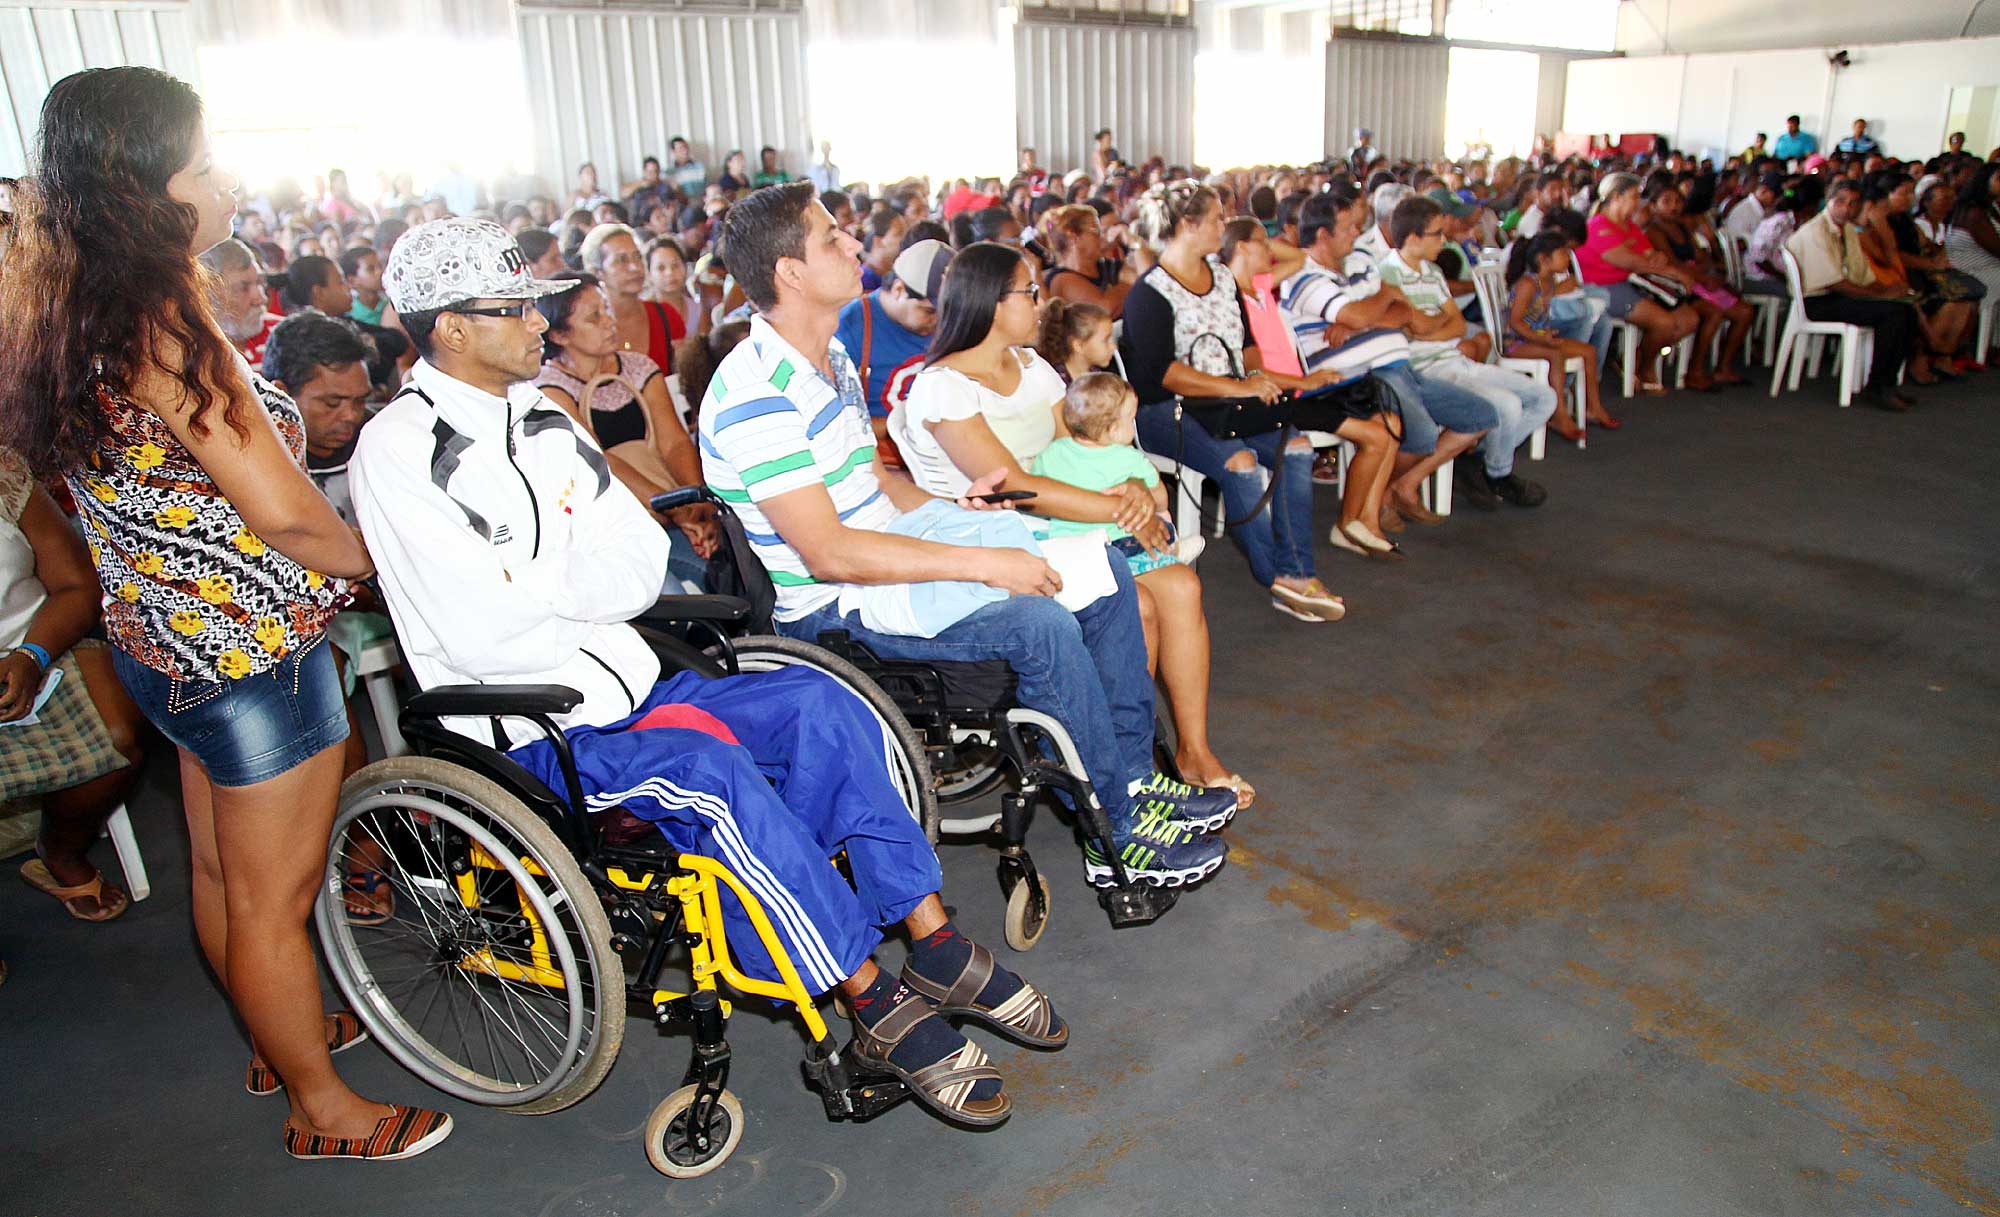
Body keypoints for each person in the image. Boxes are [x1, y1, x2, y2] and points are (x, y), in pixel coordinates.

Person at [347, 217, 1062, 1127]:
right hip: (536, 725)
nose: (541, 322)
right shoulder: (400, 454)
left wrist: (558, 586)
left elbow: (641, 558)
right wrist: (577, 588)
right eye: (518, 308)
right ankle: (869, 998)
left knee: (822, 703)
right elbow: (483, 631)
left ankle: (933, 937)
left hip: (635, 681)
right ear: (450, 327)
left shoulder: (543, 423)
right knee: (710, 776)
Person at [0, 67, 445, 1160]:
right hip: (249, 652)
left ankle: (277, 1037)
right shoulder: (163, 323)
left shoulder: (62, 302)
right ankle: (322, 1108)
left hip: (162, 642)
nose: (227, 177)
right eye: (204, 160)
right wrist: (397, 570)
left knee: (222, 875)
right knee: (274, 899)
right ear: (145, 188)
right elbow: (287, 516)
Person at [697, 182, 1228, 886]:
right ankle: (1118, 836)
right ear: (789, 272)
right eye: (833, 238)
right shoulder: (756, 394)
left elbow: (878, 485)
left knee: (1100, 561)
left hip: (889, 543)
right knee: (1038, 615)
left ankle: (1129, 780)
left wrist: (961, 510)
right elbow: (828, 552)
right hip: (838, 600)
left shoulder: (825, 364)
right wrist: (982, 561)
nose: (856, 244)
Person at [894, 242, 1252, 805]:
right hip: (994, 543)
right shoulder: (943, 387)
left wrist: (1129, 488)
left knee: (1181, 585)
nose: (1041, 303)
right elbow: (1013, 482)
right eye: (1029, 292)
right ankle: (1120, 777)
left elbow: (1073, 452)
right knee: (1139, 604)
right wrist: (1116, 507)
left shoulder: (1033, 367)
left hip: (1062, 528)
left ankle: (1193, 751)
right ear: (991, 302)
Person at [1118, 181, 1346, 620]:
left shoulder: (1222, 277)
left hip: (1227, 403)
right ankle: (1281, 577)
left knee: (1296, 448)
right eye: (1217, 218)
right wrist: (1239, 386)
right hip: (1167, 411)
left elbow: (1246, 351)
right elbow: (1160, 375)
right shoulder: (1149, 292)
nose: (1224, 225)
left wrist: (1268, 381)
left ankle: (1296, 571)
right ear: (1188, 225)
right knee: (1239, 462)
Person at [1281, 189, 1497, 530]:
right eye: (1349, 227)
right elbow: (1359, 312)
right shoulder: (1305, 276)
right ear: (1323, 235)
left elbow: (1400, 310)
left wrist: (1365, 315)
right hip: (1360, 376)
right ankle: (1378, 498)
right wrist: (1370, 310)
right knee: (1422, 436)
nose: (1358, 232)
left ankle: (1396, 487)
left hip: (1399, 363)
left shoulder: (1360, 261)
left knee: (1481, 414)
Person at [0, 445, 147, 926]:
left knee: (120, 733)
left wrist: (31, 657)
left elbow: (77, 584)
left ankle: (59, 848)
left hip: (37, 643)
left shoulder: (5, 471)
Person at [532, 269, 717, 584]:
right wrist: (677, 510)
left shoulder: (638, 367)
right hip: (613, 529)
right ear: (559, 335)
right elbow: (600, 461)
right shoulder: (550, 389)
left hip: (671, 510)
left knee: (726, 567)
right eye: (594, 317)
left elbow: (674, 442)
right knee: (691, 584)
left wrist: (699, 506)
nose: (609, 320)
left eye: (606, 308)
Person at [1375, 195, 1555, 509]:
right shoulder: (1387, 274)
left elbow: (1455, 326)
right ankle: (1498, 473)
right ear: (1414, 238)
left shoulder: (1431, 271)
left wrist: (1431, 325)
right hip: (1423, 368)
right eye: (1437, 234)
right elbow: (1411, 330)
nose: (1444, 240)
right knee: (1509, 406)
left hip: (1453, 359)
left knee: (1544, 398)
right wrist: (1434, 324)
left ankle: (1484, 460)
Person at [1784, 178, 1922, 411]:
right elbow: (1835, 283)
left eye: (1853, 203)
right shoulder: (1815, 231)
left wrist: (1888, 290)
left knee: (1906, 310)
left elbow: (1862, 274)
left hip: (1837, 295)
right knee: (1892, 314)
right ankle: (1877, 385)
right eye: (1840, 201)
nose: (1846, 208)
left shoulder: (1847, 230)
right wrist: (1880, 297)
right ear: (1829, 201)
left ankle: (1886, 382)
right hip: (1816, 301)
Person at [1574, 172, 1701, 394]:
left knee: (1689, 319)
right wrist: (1675, 272)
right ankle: (1645, 368)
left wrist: (1654, 260)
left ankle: (1635, 358)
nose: (1638, 202)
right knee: (1664, 323)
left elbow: (1651, 256)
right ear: (1616, 197)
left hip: (1634, 284)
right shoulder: (1598, 227)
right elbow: (1634, 261)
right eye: (1633, 196)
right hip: (1603, 289)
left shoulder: (1629, 227)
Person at [833, 238, 950, 460]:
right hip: (881, 462)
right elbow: (840, 426)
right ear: (898, 289)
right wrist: (910, 423)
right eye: (929, 311)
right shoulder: (849, 328)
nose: (937, 322)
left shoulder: (947, 323)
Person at [1641, 176, 1752, 388]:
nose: (1674, 206)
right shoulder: (1653, 231)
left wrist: (1710, 268)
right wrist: (1703, 277)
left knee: (1745, 312)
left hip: (1699, 280)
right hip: (1677, 285)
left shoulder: (1683, 227)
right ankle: (1695, 370)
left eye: (1677, 201)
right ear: (1653, 205)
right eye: (1667, 201)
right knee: (1713, 313)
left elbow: (1699, 254)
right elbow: (1673, 265)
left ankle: (1723, 367)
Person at [1864, 172, 1980, 373]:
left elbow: (1924, 245)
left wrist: (1941, 251)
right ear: (1887, 195)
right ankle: (1922, 354)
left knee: (1964, 300)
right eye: (1905, 193)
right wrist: (1930, 264)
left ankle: (1939, 356)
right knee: (1942, 300)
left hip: (1915, 272)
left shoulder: (1905, 220)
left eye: (1911, 192)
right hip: (1898, 275)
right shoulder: (1878, 221)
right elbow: (1893, 256)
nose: (1911, 197)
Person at [1502, 231, 1611, 433]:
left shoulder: (1549, 281)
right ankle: (1559, 413)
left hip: (1538, 338)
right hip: (1517, 343)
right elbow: (1515, 323)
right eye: (1563, 254)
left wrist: (1544, 335)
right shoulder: (1527, 284)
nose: (1568, 258)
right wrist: (1539, 337)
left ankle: (1593, 407)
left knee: (1588, 352)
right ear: (1543, 258)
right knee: (1555, 353)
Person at [581, 223, 686, 371]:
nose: (635, 267)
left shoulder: (666, 316)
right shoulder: (590, 329)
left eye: (637, 257)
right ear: (597, 272)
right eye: (621, 260)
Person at [199, 237, 285, 370]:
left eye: (260, 283)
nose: (262, 299)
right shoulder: (189, 352)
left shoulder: (284, 335)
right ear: (208, 294)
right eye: (243, 288)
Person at [1042, 203, 1139, 317]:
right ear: (1074, 238)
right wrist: (1127, 284)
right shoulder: (1062, 279)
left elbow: (1146, 280)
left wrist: (1134, 243)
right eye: (1096, 232)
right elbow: (1103, 310)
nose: (1102, 238)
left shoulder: (1106, 266)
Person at [1942, 163, 2000, 307]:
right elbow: (1997, 248)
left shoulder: (1989, 208)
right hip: (1973, 271)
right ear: (1985, 180)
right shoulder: (1974, 214)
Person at [280, 254, 350, 318]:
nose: (349, 287)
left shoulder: (348, 323)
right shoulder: (320, 330)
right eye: (340, 282)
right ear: (319, 293)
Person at [1722, 173, 1782, 244]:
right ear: (1763, 191)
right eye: (1776, 196)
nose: (1776, 201)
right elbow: (1739, 244)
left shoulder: (1762, 209)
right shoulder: (1744, 212)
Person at [338, 245, 386, 326]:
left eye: (380, 266)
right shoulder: (349, 315)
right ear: (352, 281)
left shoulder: (391, 305)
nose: (380, 272)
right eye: (371, 269)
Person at [1514, 172, 1568, 240]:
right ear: (1538, 193)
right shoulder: (1532, 221)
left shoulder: (1555, 214)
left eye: (1561, 189)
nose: (1558, 194)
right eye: (1553, 189)